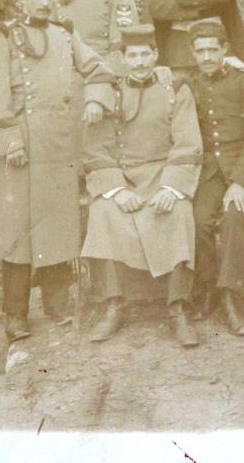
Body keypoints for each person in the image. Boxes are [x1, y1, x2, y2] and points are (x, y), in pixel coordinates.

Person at [0, 0, 116, 342]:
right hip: (19, 150)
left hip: (58, 147)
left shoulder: (65, 34)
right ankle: (15, 314)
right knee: (16, 233)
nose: (45, 2)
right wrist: (9, 142)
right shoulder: (1, 36)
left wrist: (96, 100)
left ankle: (56, 305)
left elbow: (100, 71)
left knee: (56, 227)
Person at [81, 24, 203, 348]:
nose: (139, 62)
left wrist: (171, 187)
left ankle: (177, 308)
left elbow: (188, 141)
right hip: (123, 178)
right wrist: (117, 189)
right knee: (103, 212)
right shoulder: (109, 93)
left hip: (163, 174)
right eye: (132, 56)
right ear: (122, 58)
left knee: (179, 212)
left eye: (145, 55)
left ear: (156, 55)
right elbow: (95, 148)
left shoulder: (175, 89)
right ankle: (114, 305)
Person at [186, 22, 244, 336]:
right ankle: (208, 287)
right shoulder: (190, 86)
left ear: (224, 49)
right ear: (193, 53)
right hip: (209, 170)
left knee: (235, 215)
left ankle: (229, 297)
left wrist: (240, 181)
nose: (207, 56)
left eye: (213, 49)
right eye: (201, 51)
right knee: (198, 220)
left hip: (243, 166)